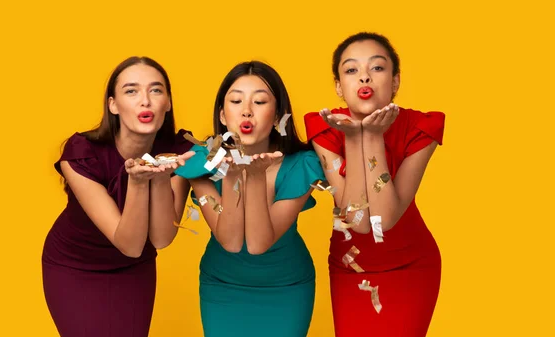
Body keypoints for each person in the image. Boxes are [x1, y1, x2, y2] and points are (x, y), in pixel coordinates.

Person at [304, 32, 445, 337]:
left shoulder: (421, 127)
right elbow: (359, 223)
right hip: (349, 267)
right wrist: (354, 139)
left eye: (377, 68)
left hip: (412, 266)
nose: (364, 77)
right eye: (352, 70)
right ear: (339, 87)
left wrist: (373, 137)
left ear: (395, 81)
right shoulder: (325, 127)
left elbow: (384, 220)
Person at [41, 56, 195, 337]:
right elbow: (129, 243)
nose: (145, 100)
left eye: (156, 90)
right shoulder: (80, 153)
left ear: (168, 102)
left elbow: (161, 239)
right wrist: (137, 181)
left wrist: (160, 176)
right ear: (113, 105)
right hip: (74, 266)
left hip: (134, 268)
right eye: (131, 91)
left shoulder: (182, 151)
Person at [174, 61, 325, 337]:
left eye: (259, 101)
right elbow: (231, 241)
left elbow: (258, 243)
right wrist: (234, 172)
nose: (246, 110)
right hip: (222, 287)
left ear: (278, 114)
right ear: (222, 114)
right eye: (235, 100)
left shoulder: (303, 165)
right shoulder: (199, 164)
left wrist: (254, 177)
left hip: (287, 289)